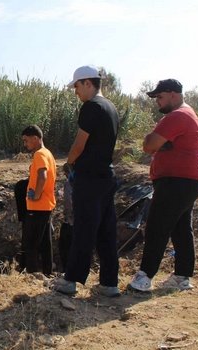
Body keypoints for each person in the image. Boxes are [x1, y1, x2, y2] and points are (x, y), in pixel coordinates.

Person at [128, 79, 198, 292]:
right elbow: (155, 145)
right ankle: (182, 277)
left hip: (177, 181)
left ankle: (144, 278)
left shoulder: (178, 116)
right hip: (187, 181)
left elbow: (149, 145)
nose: (157, 102)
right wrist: (161, 144)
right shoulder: (187, 114)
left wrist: (155, 142)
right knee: (180, 229)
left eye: (159, 97)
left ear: (173, 94)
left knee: (156, 226)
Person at [51, 65, 120, 297]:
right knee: (106, 231)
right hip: (106, 177)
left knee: (83, 230)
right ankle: (110, 283)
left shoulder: (91, 108)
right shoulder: (110, 107)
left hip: (89, 179)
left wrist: (69, 163)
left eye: (77, 87)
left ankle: (70, 281)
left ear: (88, 83)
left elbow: (80, 144)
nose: (76, 92)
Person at [20, 125, 56, 275]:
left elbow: (43, 176)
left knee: (31, 243)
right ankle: (47, 272)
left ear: (35, 138)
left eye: (26, 140)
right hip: (45, 206)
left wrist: (36, 195)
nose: (25, 144)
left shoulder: (39, 154)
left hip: (38, 206)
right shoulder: (48, 153)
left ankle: (32, 274)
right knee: (45, 243)